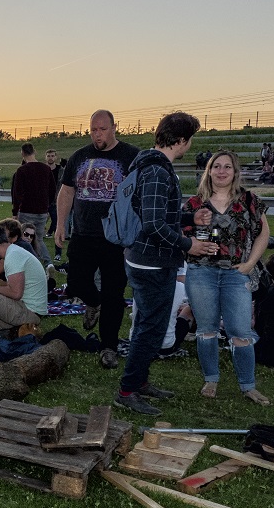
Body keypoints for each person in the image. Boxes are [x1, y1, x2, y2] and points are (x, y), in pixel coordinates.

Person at [115, 112, 211, 417]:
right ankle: (128, 390)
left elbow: (155, 215)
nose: (190, 144)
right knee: (150, 330)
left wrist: (188, 218)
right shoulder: (157, 170)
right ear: (181, 140)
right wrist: (189, 243)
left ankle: (140, 381)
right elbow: (154, 224)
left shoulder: (150, 166)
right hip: (152, 262)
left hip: (148, 258)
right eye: (190, 138)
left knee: (149, 325)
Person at [182, 150, 271, 405]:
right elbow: (180, 235)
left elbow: (264, 234)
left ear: (235, 172)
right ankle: (211, 378)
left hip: (235, 273)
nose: (221, 171)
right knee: (206, 330)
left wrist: (251, 263)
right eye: (216, 166)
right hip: (201, 273)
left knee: (241, 330)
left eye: (227, 167)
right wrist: (193, 245)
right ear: (209, 171)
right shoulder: (194, 204)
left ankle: (248, 385)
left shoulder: (249, 200)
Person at [55, 110, 141, 369]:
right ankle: (93, 302)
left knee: (114, 294)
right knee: (76, 283)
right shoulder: (79, 157)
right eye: (93, 129)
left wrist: (134, 233)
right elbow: (67, 191)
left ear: (115, 127)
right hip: (83, 233)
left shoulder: (132, 156)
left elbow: (140, 194)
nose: (97, 134)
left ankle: (109, 347)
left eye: (102, 129)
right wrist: (60, 224)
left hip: (116, 238)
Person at [11, 143, 56, 266]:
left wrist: (15, 212)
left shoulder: (22, 170)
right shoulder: (46, 169)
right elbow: (52, 190)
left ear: (22, 153)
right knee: (39, 239)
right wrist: (47, 206)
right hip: (42, 211)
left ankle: (28, 263)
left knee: (24, 238)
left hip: (26, 210)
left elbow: (17, 193)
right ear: (34, 151)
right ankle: (48, 263)